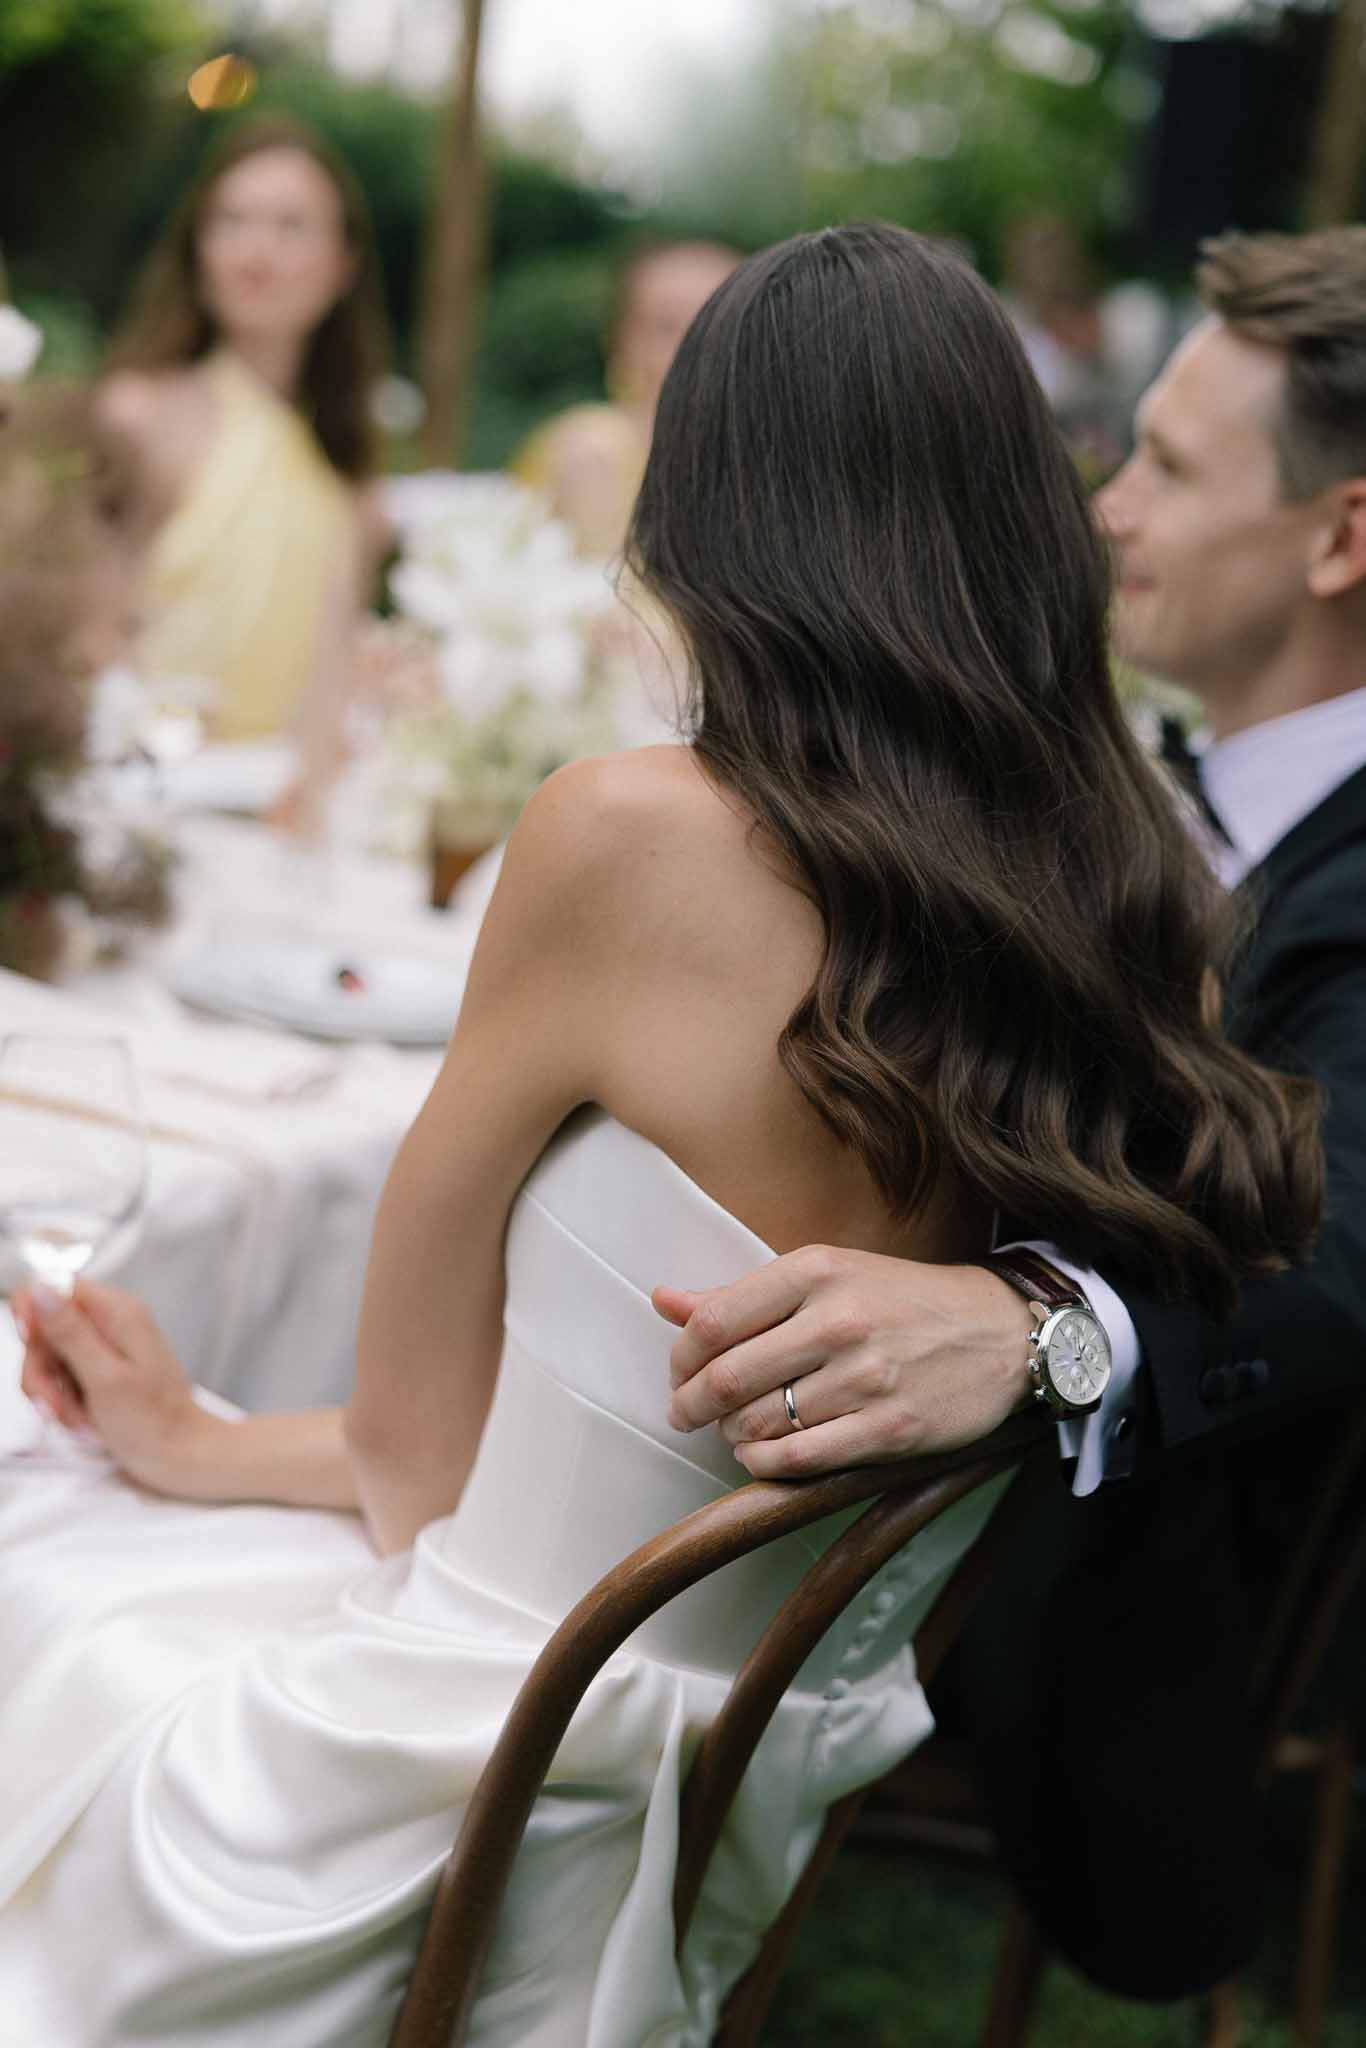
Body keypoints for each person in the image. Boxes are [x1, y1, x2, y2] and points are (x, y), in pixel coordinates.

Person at [0, 226, 1319, 2046]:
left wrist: (202, 1444)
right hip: (700, 1796)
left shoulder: (626, 837)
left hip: (419, 1792)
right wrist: (197, 1441)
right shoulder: (1146, 902)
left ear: (703, 507)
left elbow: (407, 1452)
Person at [662, 225, 1366, 1997]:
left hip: (1141, 1610)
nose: (1105, 511)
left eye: (1168, 466)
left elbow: (1355, 1226)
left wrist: (1042, 1324)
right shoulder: (1128, 790)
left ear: (1343, 536)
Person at [96, 116, 390, 749]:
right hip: (150, 794)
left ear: (343, 265)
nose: (256, 253)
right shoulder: (136, 414)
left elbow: (332, 681)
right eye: (230, 221)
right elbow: (86, 634)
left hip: (285, 815)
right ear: (197, 248)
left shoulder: (351, 476)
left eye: (291, 227)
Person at [511, 239, 739, 560]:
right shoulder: (592, 447)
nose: (695, 346)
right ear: (621, 340)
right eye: (666, 327)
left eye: (719, 325)